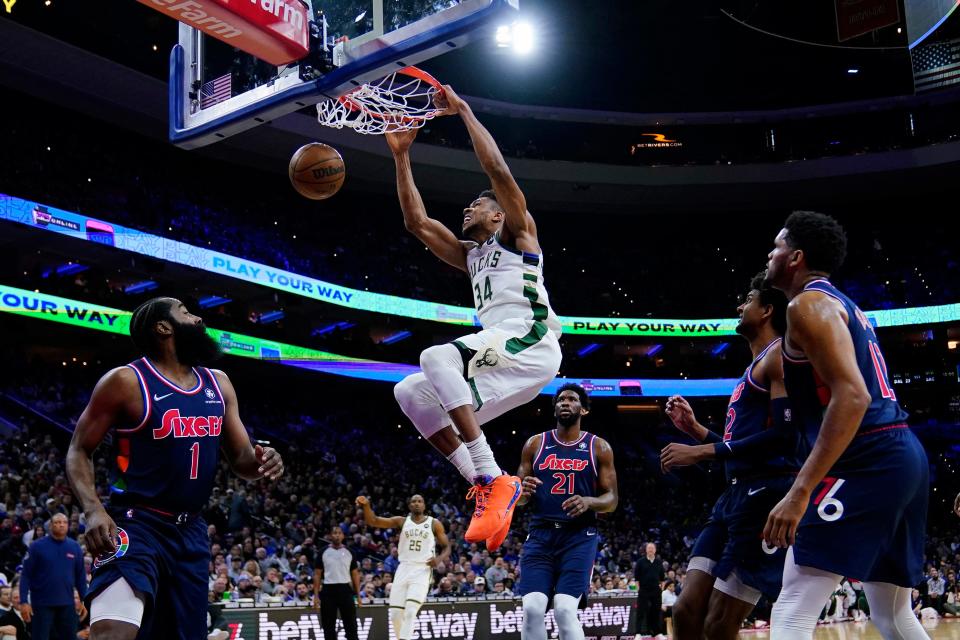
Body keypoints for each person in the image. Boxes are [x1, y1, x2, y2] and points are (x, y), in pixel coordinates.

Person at [387, 85, 562, 548]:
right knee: (410, 393)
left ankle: (487, 469)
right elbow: (417, 223)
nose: (468, 207)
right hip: (508, 353)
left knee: (435, 358)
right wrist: (402, 155)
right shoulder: (471, 254)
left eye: (478, 205)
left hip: (530, 337)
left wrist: (463, 109)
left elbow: (497, 169)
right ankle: (491, 482)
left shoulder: (518, 234)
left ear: (499, 215)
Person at [65, 297, 284, 639]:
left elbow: (243, 460)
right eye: (185, 312)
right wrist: (93, 510)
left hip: (191, 532)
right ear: (163, 327)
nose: (198, 318)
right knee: (113, 630)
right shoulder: (126, 381)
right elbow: (79, 449)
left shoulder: (219, 383)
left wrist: (264, 462)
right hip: (136, 525)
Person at [762, 212, 929, 640]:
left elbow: (854, 396)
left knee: (792, 610)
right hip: (900, 454)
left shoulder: (808, 305)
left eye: (777, 246)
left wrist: (801, 491)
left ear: (796, 257)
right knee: (893, 614)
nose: (770, 253)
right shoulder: (843, 305)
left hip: (866, 457)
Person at [661, 273, 796, 640]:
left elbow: (784, 437)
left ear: (767, 310)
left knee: (719, 624)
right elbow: (744, 447)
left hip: (765, 496)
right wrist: (696, 431)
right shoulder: (750, 369)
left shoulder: (779, 358)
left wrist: (701, 450)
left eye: (748, 300)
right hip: (732, 496)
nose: (740, 306)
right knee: (685, 610)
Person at [515, 384, 618, 640]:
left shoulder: (599, 447)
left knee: (563, 609)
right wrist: (521, 492)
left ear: (583, 409)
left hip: (579, 536)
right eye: (561, 399)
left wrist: (589, 501)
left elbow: (612, 499)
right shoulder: (535, 444)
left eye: (572, 399)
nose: (564, 402)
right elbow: (516, 501)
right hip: (541, 534)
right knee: (532, 608)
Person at [356, 494, 450, 640]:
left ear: (424, 505)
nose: (417, 504)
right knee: (395, 615)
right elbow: (373, 521)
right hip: (403, 568)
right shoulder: (401, 521)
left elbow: (446, 547)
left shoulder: (434, 523)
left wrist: (438, 560)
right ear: (409, 505)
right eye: (413, 501)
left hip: (422, 569)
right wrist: (366, 505)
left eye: (420, 501)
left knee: (411, 611)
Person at [18, 513, 87, 640]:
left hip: (67, 603)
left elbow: (81, 577)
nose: (61, 525)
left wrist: (85, 600)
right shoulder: (37, 546)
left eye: (64, 522)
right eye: (57, 522)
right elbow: (26, 575)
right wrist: (23, 601)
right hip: (41, 604)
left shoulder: (74, 546)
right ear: (50, 525)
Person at [313, 527, 361, 640]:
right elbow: (317, 574)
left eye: (339, 533)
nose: (337, 535)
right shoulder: (323, 552)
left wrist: (358, 595)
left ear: (343, 536)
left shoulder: (350, 552)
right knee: (328, 626)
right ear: (330, 536)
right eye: (334, 533)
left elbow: (355, 574)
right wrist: (315, 596)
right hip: (328, 590)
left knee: (351, 625)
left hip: (345, 590)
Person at [635, 543, 666, 638]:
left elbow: (662, 579)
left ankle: (657, 633)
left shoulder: (659, 562)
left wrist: (662, 589)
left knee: (656, 611)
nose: (651, 550)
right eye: (649, 548)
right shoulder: (640, 562)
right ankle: (638, 633)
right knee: (641, 611)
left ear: (655, 550)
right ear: (646, 550)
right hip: (644, 590)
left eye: (652, 548)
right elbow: (636, 579)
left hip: (656, 590)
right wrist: (638, 590)